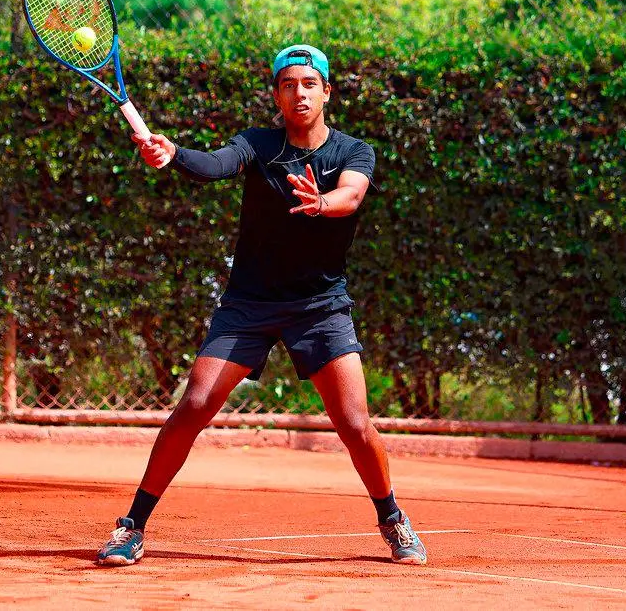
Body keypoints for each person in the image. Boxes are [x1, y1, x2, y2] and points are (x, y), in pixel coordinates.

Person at [96, 45, 427, 567]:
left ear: (326, 91)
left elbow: (352, 197)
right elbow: (216, 164)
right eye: (288, 84)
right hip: (249, 303)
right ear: (277, 94)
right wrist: (174, 152)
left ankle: (392, 519)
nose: (299, 93)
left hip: (319, 306)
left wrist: (321, 204)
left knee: (355, 423)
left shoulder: (353, 152)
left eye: (309, 84)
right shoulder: (257, 144)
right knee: (196, 404)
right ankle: (132, 525)